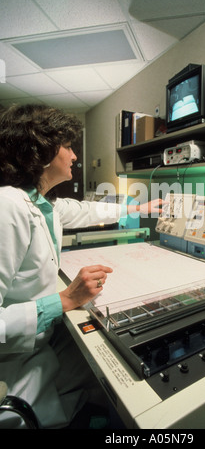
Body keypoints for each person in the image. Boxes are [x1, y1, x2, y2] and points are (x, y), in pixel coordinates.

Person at [0, 104, 164, 428]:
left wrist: (137, 207)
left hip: (37, 344)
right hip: (13, 362)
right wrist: (64, 300)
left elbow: (85, 211)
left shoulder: (42, 203)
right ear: (42, 149)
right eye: (68, 146)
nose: (75, 155)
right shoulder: (8, 206)